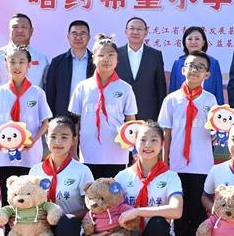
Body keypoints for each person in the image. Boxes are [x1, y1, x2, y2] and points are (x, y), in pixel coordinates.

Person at [98, 121, 183, 236]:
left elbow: (176, 210)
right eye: (143, 139)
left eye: (154, 140)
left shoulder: (170, 176)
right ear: (134, 142)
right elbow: (108, 207)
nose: (148, 145)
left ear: (162, 144)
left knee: (159, 224)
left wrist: (138, 211)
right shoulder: (122, 176)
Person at [20, 116, 93, 236]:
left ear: (74, 140)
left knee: (68, 223)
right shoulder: (35, 170)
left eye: (64, 137)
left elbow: (91, 207)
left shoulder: (82, 171)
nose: (58, 142)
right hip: (42, 230)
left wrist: (60, 218)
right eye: (53, 136)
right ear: (46, 139)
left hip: (72, 231)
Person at [0, 45, 52, 236]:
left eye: (22, 61)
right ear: (5, 65)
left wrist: (35, 139)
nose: (17, 66)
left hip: (30, 155)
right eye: (12, 61)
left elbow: (45, 122)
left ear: (29, 65)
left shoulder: (37, 93)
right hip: (5, 156)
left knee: (31, 196)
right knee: (8, 198)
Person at [158, 50, 218, 236]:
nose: (194, 70)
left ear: (207, 74)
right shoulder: (171, 99)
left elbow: (216, 130)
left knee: (198, 207)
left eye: (200, 67)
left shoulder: (210, 100)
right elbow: (166, 134)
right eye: (191, 65)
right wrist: (164, 163)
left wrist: (219, 133)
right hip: (177, 163)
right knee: (180, 209)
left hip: (202, 163)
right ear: (183, 70)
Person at [69, 35, 138, 178]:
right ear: (93, 59)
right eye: (101, 55)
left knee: (115, 189)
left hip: (117, 152)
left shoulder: (125, 88)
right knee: (90, 189)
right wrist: (73, 151)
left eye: (111, 55)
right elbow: (75, 122)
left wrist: (134, 150)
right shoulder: (83, 87)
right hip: (89, 152)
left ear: (117, 59)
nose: (106, 59)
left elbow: (131, 122)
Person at [0, 13, 51, 102]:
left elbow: (48, 87)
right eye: (15, 27)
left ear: (31, 31)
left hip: (32, 107)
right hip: (3, 106)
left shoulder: (41, 58)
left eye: (24, 27)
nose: (20, 30)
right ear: (9, 31)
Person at [115, 17, 167, 122]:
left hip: (148, 114)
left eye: (139, 29)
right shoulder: (115, 54)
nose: (135, 32)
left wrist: (161, 116)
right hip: (120, 112)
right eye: (132, 28)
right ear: (125, 31)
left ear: (146, 32)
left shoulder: (155, 55)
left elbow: (160, 87)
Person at [45, 20, 94, 119]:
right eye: (74, 34)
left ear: (89, 37)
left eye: (82, 34)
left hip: (90, 115)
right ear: (68, 37)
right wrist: (50, 119)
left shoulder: (96, 61)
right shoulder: (57, 62)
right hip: (63, 116)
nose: (78, 37)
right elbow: (50, 93)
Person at [167, 26, 225, 104]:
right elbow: (172, 90)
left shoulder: (214, 63)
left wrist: (219, 109)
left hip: (207, 108)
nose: (193, 42)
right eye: (190, 39)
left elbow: (218, 93)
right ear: (185, 42)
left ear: (203, 42)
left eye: (197, 39)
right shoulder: (177, 64)